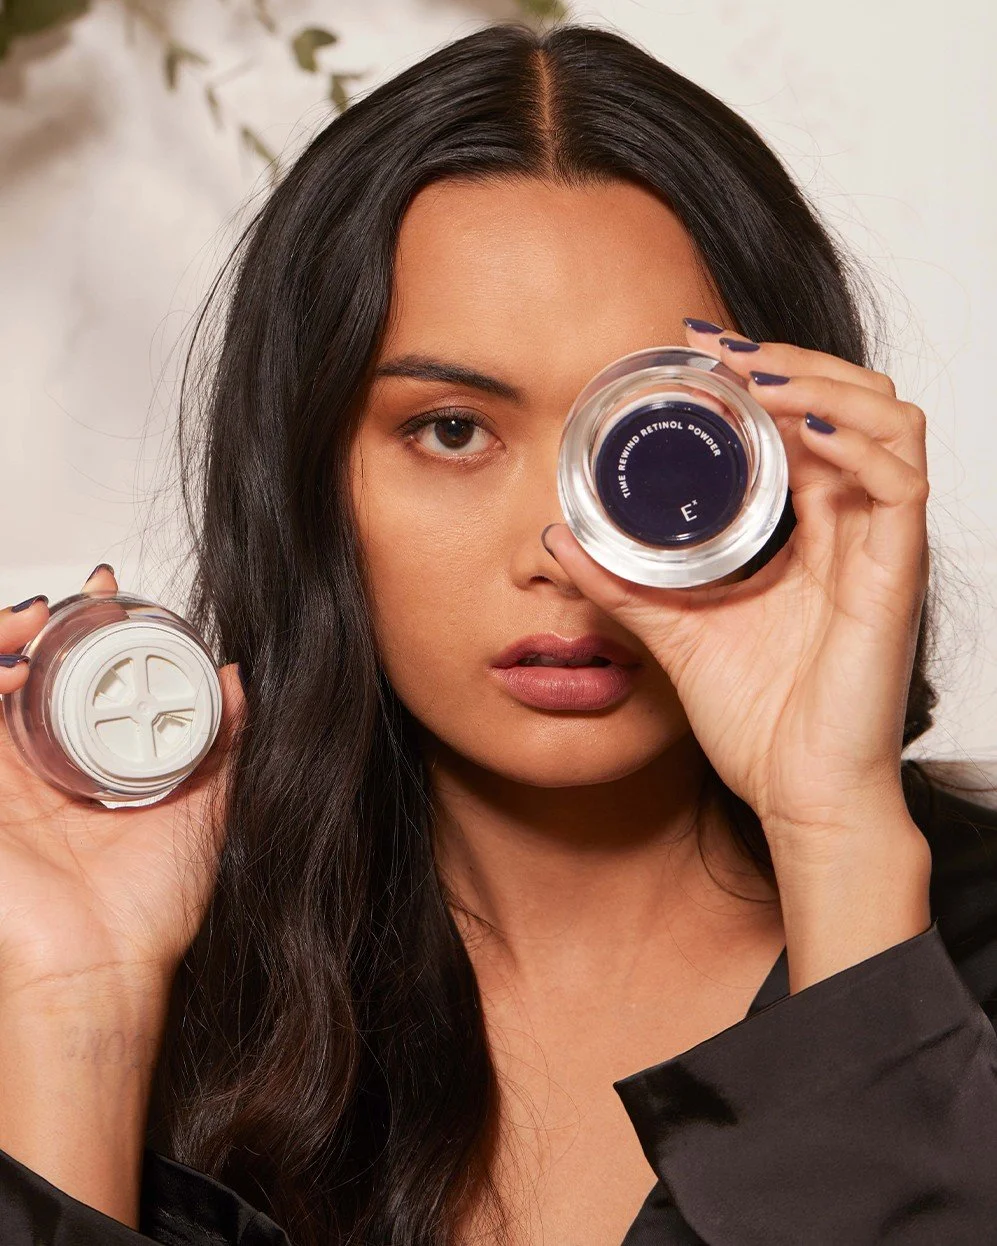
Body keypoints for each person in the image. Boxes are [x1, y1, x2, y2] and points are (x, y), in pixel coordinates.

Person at [1, 18, 996, 1246]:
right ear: (311, 479)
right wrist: (76, 1015)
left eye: (646, 439)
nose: (558, 552)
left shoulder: (947, 967)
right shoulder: (152, 981)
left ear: (781, 459)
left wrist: (837, 845)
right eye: (454, 430)